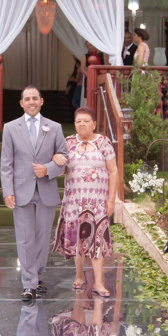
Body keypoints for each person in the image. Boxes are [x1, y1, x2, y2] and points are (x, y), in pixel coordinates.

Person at [0, 85, 68, 303]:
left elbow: (64, 157)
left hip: (46, 190)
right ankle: (28, 284)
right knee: (25, 238)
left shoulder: (54, 127)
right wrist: (8, 191)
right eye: (27, 99)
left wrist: (48, 169)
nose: (31, 102)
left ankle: (37, 278)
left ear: (41, 101)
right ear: (21, 103)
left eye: (35, 98)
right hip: (21, 191)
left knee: (42, 238)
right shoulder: (10, 128)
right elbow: (6, 163)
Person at [52, 107, 119, 297]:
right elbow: (60, 171)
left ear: (94, 124)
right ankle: (79, 275)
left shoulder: (103, 142)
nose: (82, 124)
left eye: (86, 121)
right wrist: (56, 158)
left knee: (97, 240)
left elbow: (113, 171)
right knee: (77, 239)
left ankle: (99, 282)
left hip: (98, 202)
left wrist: (111, 199)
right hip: (74, 201)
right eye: (78, 121)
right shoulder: (68, 143)